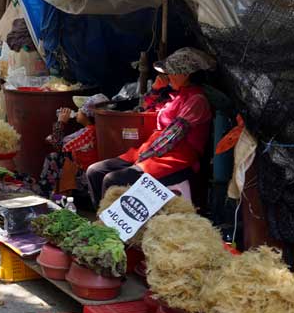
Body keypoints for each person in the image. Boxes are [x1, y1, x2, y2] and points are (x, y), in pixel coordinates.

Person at [86, 47, 216, 205]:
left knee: (113, 180)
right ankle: (102, 219)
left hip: (175, 158)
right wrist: (155, 89)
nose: (168, 76)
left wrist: (146, 156)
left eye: (172, 72)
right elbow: (143, 109)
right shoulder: (173, 95)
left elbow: (173, 135)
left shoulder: (197, 100)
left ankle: (110, 225)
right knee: (95, 171)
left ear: (186, 74)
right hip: (150, 151)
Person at [40, 94, 109, 197]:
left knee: (53, 158)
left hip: (86, 175)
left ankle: (48, 195)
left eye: (80, 108)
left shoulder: (90, 132)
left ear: (86, 114)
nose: (77, 111)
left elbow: (59, 145)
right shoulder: (91, 129)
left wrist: (61, 122)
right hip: (87, 169)